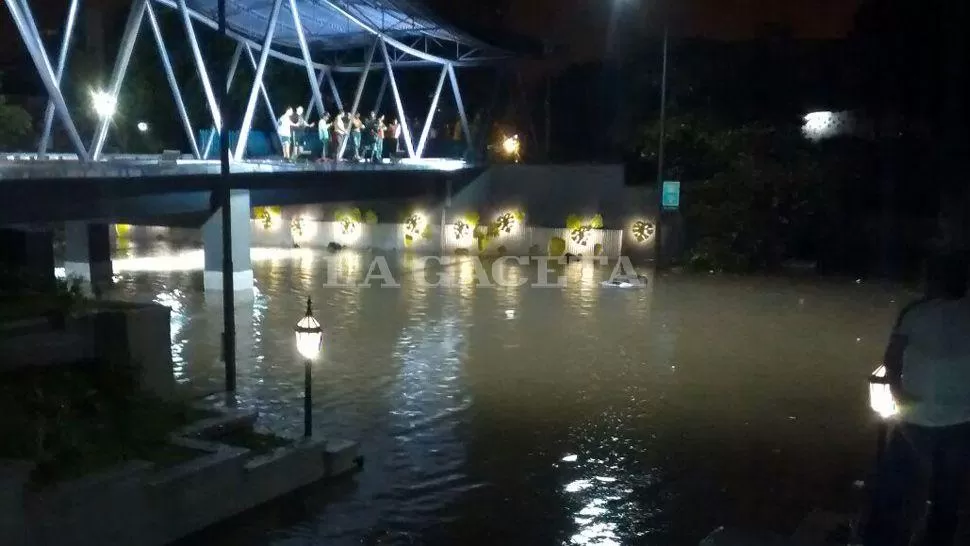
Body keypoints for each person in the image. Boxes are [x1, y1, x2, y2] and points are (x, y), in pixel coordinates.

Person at [864, 252, 970, 546]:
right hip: (961, 420)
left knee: (894, 494)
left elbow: (892, 358)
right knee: (946, 499)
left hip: (916, 418)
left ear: (933, 281)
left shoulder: (915, 314)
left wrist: (898, 395)